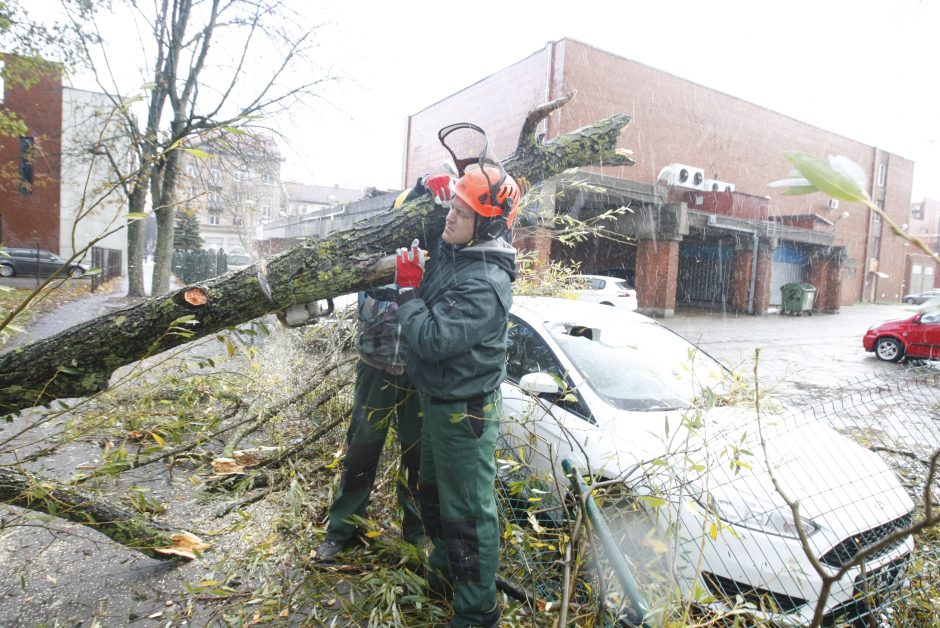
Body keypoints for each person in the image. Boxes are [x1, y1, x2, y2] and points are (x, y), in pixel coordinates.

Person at [395, 157, 521, 628]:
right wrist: (427, 189)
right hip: (440, 399)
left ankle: (477, 611)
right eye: (453, 207)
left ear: (486, 226)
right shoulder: (462, 250)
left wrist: (408, 295)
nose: (450, 217)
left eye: (461, 213)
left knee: (468, 514)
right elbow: (434, 232)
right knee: (432, 495)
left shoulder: (484, 284)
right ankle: (447, 574)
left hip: (463, 411)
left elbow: (431, 338)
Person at [314, 174, 453, 563]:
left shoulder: (441, 253)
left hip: (417, 373)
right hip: (374, 366)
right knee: (361, 450)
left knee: (415, 455)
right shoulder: (377, 244)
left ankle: (416, 532)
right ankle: (342, 527)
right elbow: (399, 207)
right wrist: (425, 184)